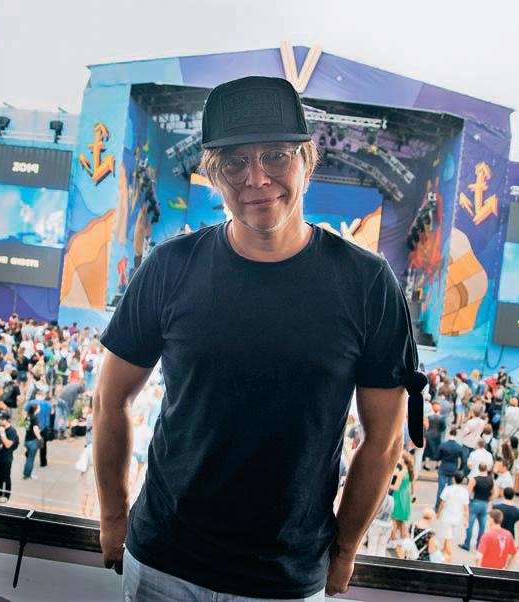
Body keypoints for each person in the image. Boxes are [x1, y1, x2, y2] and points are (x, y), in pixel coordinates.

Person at [98, 75, 424, 600]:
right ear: (213, 175)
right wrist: (114, 517)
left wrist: (344, 550)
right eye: (234, 162)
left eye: (276, 155)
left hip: (284, 581)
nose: (256, 178)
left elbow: (384, 440)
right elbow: (110, 399)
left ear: (306, 161)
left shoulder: (367, 284)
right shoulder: (170, 267)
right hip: (162, 563)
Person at [437, 471, 469, 563]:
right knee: (449, 536)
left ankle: (450, 557)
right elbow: (466, 508)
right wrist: (466, 520)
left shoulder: (448, 489)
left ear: (454, 479)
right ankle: (443, 550)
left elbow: (442, 503)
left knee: (448, 538)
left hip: (447, 516)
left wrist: (438, 513)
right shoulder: (464, 492)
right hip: (457, 518)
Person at [461, 463, 494, 551]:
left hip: (475, 502)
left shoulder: (474, 479)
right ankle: (479, 545)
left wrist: (466, 504)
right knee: (482, 526)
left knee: (470, 524)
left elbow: (468, 493)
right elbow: (494, 493)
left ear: (479, 469)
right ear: (486, 469)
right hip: (485, 504)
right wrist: (488, 499)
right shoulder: (491, 480)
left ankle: (467, 544)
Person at [0, 412, 19, 502]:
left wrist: (2, 434)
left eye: (2, 419)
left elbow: (8, 445)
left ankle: (7, 494)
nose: (0, 421)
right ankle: (0, 492)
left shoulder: (12, 431)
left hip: (7, 457)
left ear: (8, 420)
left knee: (6, 476)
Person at [366, 493, 394, 558]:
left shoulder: (378, 497)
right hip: (387, 525)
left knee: (371, 548)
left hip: (376, 524)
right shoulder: (391, 499)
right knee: (382, 549)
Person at [22, 403, 42, 480]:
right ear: (35, 409)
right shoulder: (35, 418)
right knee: (30, 459)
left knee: (28, 458)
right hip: (32, 441)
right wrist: (40, 438)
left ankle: (26, 473)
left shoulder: (28, 417)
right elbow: (35, 429)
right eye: (38, 407)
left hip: (27, 440)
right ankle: (28, 475)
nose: (39, 408)